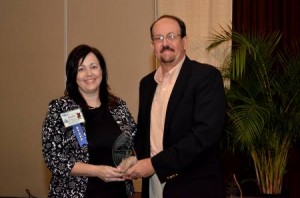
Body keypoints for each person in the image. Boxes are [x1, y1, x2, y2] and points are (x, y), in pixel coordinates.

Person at [125, 15, 226, 198]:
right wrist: (135, 159)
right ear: (152, 46)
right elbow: (145, 134)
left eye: (172, 36)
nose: (165, 43)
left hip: (193, 187)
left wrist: (155, 164)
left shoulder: (205, 77)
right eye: (159, 38)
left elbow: (205, 134)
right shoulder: (147, 84)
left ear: (185, 41)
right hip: (154, 186)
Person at [42, 44, 137, 198]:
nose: (89, 73)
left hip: (118, 192)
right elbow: (53, 158)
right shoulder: (61, 109)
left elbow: (136, 140)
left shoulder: (118, 107)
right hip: (76, 192)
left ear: (102, 71)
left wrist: (133, 159)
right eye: (81, 69)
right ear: (73, 75)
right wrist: (97, 171)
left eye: (93, 66)